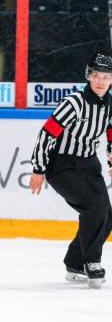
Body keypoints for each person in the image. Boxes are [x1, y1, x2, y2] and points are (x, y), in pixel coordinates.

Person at [30, 53, 112, 289]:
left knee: (107, 215)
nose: (100, 81)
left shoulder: (109, 103)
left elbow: (110, 130)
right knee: (95, 208)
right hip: (62, 166)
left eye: (106, 77)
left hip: (89, 164)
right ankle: (91, 262)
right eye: (96, 76)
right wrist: (38, 169)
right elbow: (47, 133)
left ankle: (75, 263)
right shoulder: (73, 102)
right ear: (89, 76)